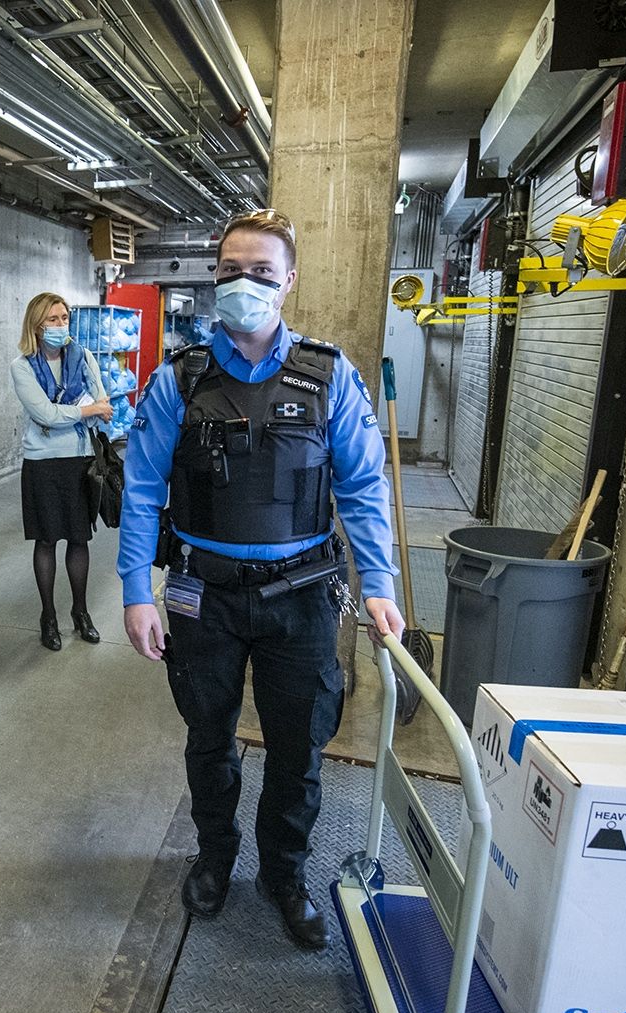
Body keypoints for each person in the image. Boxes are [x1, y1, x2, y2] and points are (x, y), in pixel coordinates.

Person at [118, 209, 403, 951]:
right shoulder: (178, 379)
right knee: (207, 739)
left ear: (289, 283)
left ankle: (285, 873)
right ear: (216, 278)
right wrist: (134, 591)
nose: (244, 284)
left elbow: (365, 487)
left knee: (297, 748)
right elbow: (142, 489)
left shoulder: (329, 375)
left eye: (262, 273)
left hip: (303, 594)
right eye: (232, 270)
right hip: (198, 594)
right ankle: (215, 859)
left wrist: (379, 583)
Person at [9, 292, 114, 650]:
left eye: (64, 318)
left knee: (79, 538)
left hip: (80, 458)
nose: (60, 326)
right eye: (52, 320)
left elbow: (103, 401)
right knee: (46, 539)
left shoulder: (82, 356)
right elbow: (44, 415)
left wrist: (84, 411)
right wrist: (84, 411)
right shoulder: (22, 366)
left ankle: (80, 612)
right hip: (42, 463)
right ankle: (48, 616)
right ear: (36, 325)